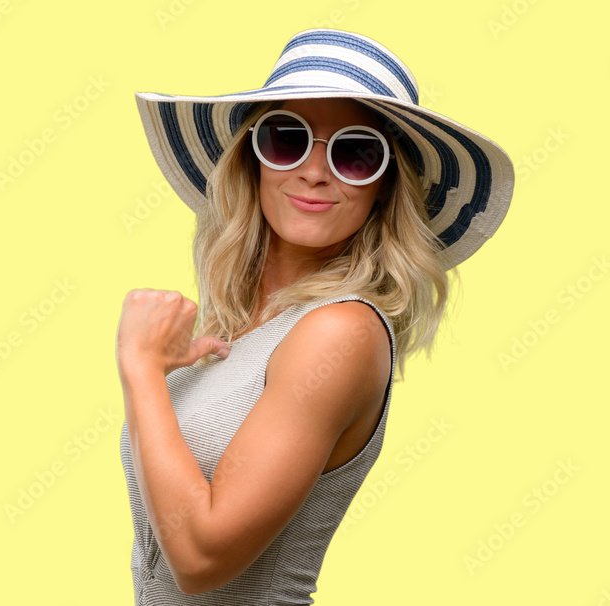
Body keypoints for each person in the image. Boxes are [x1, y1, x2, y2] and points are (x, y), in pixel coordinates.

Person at [116, 28, 514, 604]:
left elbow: (202, 557)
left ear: (384, 186)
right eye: (287, 139)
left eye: (355, 152)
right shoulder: (234, 324)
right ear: (252, 160)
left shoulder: (340, 332)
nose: (314, 172)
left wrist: (140, 369)